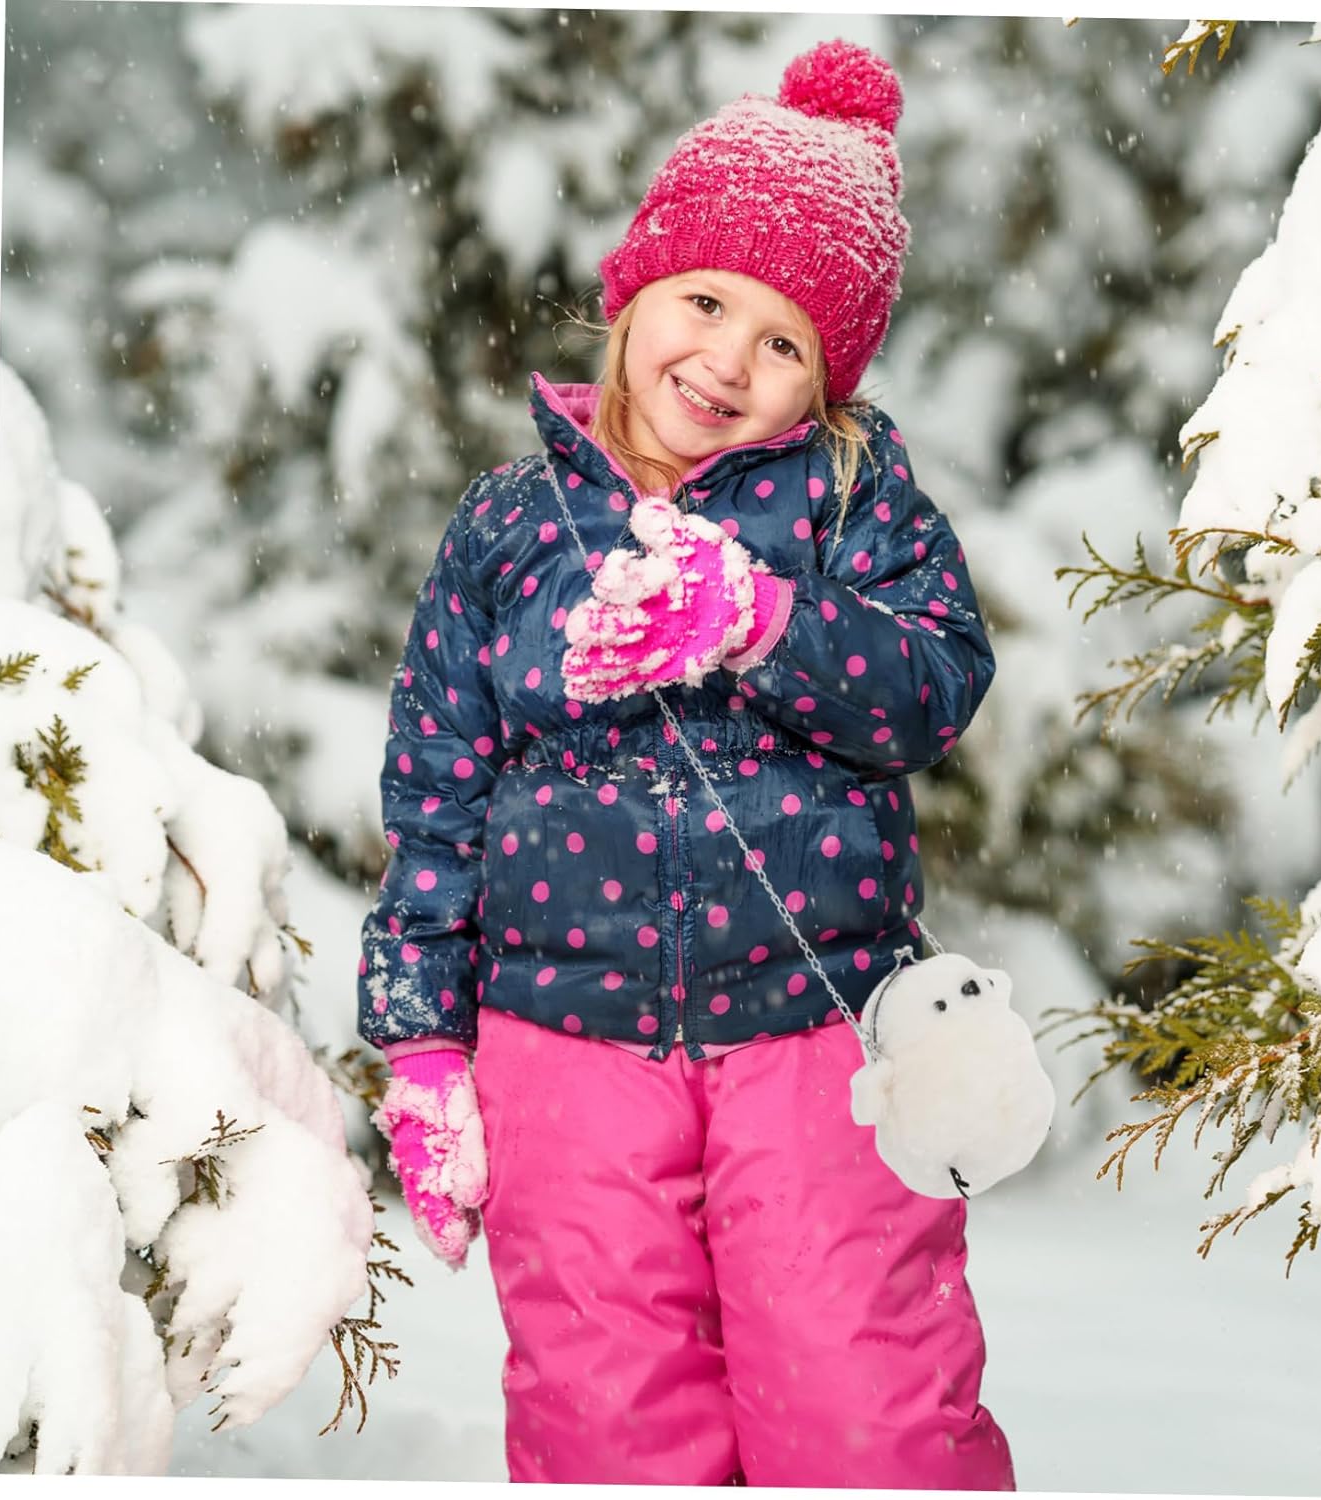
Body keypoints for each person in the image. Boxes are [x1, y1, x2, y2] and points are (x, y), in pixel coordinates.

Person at [358, 38, 1012, 1489]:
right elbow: (437, 793)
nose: (726, 360)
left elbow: (936, 687)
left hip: (821, 1034)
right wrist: (423, 1044)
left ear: (827, 383)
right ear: (637, 292)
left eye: (784, 343)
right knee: (609, 1419)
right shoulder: (510, 524)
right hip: (562, 1046)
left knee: (864, 1403)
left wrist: (766, 621)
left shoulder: (854, 505)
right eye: (706, 303)